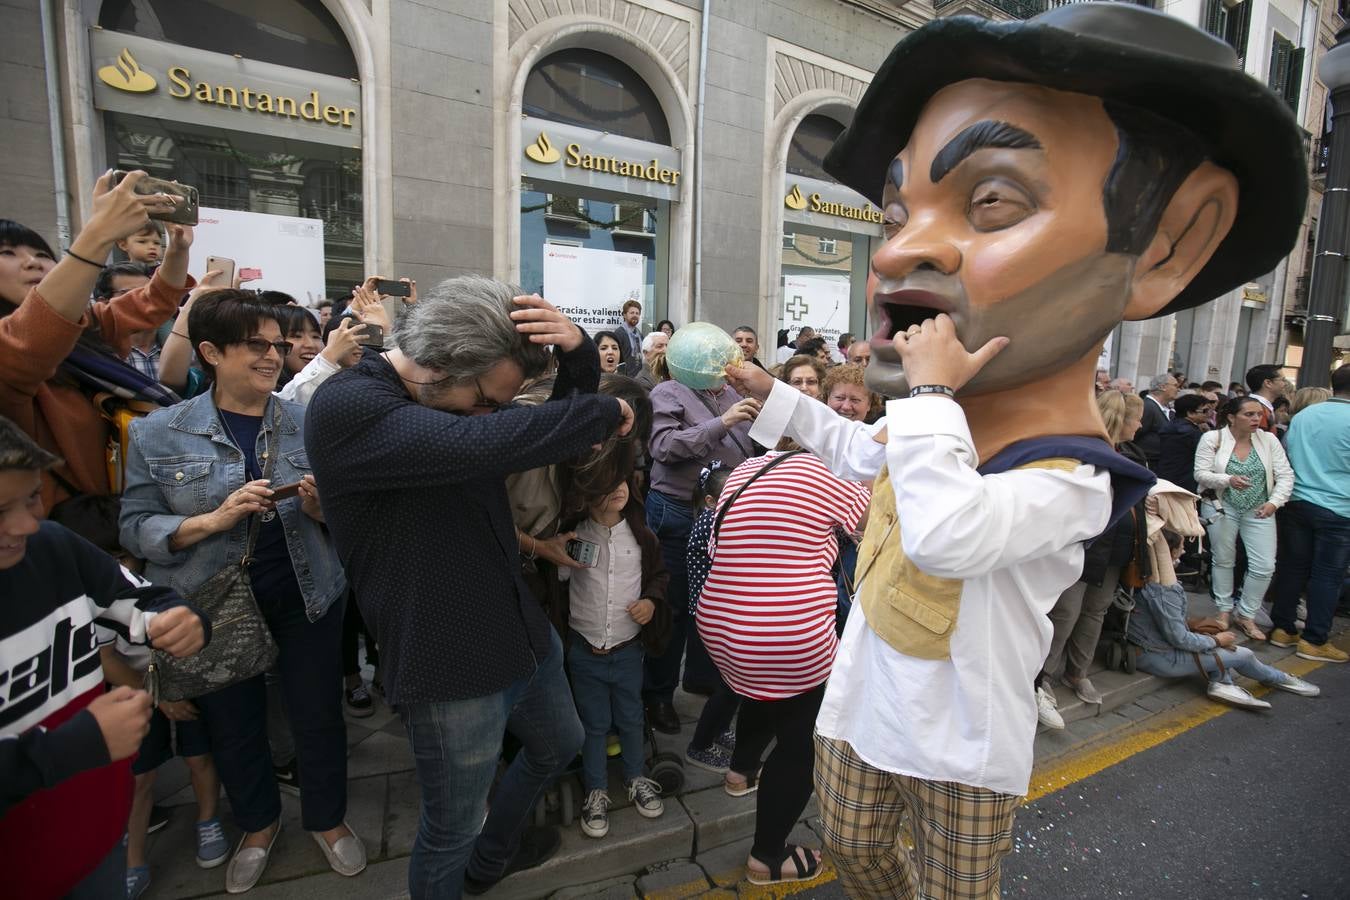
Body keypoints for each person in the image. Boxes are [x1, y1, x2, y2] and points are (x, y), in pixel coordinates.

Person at [724, 5, 1305, 895]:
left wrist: (926, 393)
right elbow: (869, 454)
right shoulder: (924, 428)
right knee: (852, 846)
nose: (899, 252)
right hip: (861, 703)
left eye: (992, 200)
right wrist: (774, 397)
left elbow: (947, 532)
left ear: (1167, 246)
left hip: (959, 744)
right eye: (895, 212)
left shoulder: (1073, 474)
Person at [305, 277, 635, 899]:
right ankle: (462, 869)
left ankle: (491, 860)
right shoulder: (350, 406)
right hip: (448, 660)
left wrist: (581, 360)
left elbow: (533, 433)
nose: (493, 413)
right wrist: (602, 407)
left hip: (518, 631)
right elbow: (494, 439)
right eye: (488, 399)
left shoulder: (453, 400)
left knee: (558, 745)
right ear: (447, 361)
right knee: (449, 828)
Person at [119, 290, 363, 893]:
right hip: (212, 602)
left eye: (277, 345)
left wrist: (322, 507)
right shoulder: (158, 432)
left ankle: (328, 820)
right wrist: (210, 521)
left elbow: (353, 513)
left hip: (309, 595)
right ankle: (257, 824)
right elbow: (133, 526)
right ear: (210, 351)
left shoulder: (309, 421)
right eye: (256, 344)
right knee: (234, 724)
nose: (273, 356)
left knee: (317, 715)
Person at [0, 416, 208, 899]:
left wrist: (176, 617)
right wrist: (74, 747)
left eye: (32, 498)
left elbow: (140, 598)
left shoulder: (50, 547)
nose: (27, 523)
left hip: (96, 846)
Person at [698, 449, 870, 886]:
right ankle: (768, 857)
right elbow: (874, 523)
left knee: (764, 695)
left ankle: (740, 773)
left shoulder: (749, 468)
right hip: (783, 632)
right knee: (801, 744)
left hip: (722, 621)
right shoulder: (825, 469)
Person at [0, 173, 193, 510]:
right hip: (61, 526)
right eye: (7, 252)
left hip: (125, 509)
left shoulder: (84, 326)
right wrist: (99, 234)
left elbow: (153, 302)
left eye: (40, 253)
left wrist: (177, 249)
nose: (32, 261)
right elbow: (32, 338)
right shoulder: (14, 346)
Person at [643, 361, 759, 732]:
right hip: (678, 511)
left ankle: (700, 676)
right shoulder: (667, 392)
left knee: (714, 601)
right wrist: (720, 423)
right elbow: (662, 446)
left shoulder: (729, 391)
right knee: (674, 605)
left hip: (727, 512)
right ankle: (659, 696)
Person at [557, 472, 669, 839]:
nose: (617, 488)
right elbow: (557, 580)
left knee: (631, 716)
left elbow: (659, 576)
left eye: (619, 480)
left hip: (627, 650)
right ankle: (596, 790)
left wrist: (651, 602)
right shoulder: (573, 536)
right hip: (584, 650)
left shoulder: (642, 538)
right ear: (585, 495)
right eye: (604, 485)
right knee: (593, 724)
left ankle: (636, 777)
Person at [1038, 390, 1150, 726]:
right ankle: (1041, 680)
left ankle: (1077, 672)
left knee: (1096, 611)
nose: (1141, 424)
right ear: (1123, 419)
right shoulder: (1088, 455)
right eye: (1137, 418)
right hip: (1084, 548)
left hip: (1115, 549)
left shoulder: (1130, 453)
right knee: (1065, 613)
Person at [1129, 531, 1319, 706]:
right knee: (1244, 655)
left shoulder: (1144, 578)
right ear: (1169, 553)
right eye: (1181, 547)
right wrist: (1215, 640)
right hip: (1159, 656)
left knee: (1219, 644)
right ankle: (1280, 679)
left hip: (1149, 650)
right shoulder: (1164, 590)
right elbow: (1179, 638)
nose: (1184, 550)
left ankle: (1222, 683)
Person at [1267, 365, 1350, 663]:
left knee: (1293, 567)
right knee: (1328, 575)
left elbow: (1287, 454)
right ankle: (1314, 640)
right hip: (1339, 507)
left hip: (1297, 501)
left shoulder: (1303, 416)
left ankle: (1282, 628)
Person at [1194, 396, 1294, 641]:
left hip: (1259, 509)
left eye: (1258, 414)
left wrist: (1274, 502)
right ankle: (1224, 611)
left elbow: (1285, 474)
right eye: (1248, 414)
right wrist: (1228, 480)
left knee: (1265, 565)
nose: (1256, 419)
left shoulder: (1268, 440)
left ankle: (1246, 614)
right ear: (1231, 417)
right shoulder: (1213, 438)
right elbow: (1200, 474)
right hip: (1221, 506)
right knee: (1223, 560)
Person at [682, 462, 739, 773]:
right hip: (710, 618)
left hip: (721, 615)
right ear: (710, 501)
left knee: (732, 683)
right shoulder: (711, 524)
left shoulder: (717, 519)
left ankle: (719, 729)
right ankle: (700, 744)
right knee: (727, 684)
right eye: (731, 497)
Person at [1156, 393, 1213, 493]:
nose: (1209, 414)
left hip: (1166, 476)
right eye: (1204, 411)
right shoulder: (1191, 432)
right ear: (1190, 413)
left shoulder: (1171, 425)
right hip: (1185, 480)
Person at [1136, 372, 1178, 468]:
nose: (1178, 389)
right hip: (1147, 462)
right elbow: (1136, 434)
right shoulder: (1148, 407)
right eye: (1175, 385)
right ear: (1162, 387)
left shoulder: (1166, 409)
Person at [1245, 363, 1286, 431]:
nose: (1285, 384)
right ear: (1268, 383)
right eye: (1283, 380)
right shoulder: (1255, 409)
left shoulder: (1262, 407)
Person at [619, 300, 644, 376]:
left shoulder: (640, 334)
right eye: (632, 313)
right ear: (624, 315)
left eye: (637, 313)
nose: (635, 315)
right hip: (625, 378)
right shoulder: (620, 333)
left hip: (639, 377)